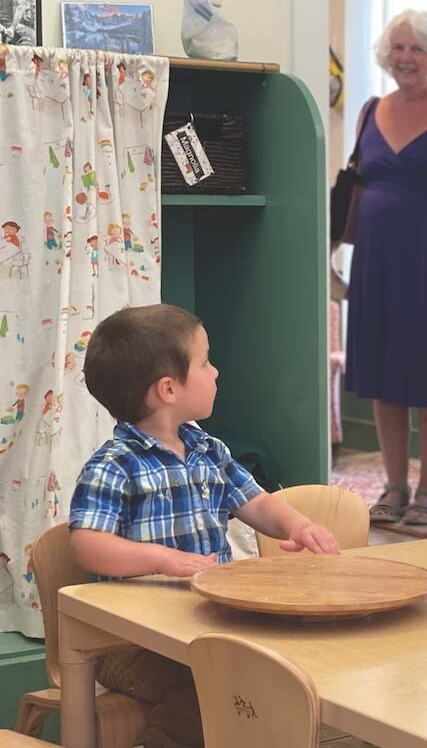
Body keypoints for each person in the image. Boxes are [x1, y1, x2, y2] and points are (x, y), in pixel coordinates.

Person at [69, 304, 341, 748]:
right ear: (168, 389)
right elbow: (87, 544)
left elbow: (256, 502)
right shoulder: (115, 466)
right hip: (132, 643)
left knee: (273, 660)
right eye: (205, 361)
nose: (216, 372)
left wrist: (297, 524)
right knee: (212, 679)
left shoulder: (207, 450)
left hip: (203, 622)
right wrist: (161, 559)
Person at [348, 9, 427, 527]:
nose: (406, 58)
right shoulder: (371, 109)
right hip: (374, 259)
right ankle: (395, 484)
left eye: (417, 48)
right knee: (384, 375)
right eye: (398, 48)